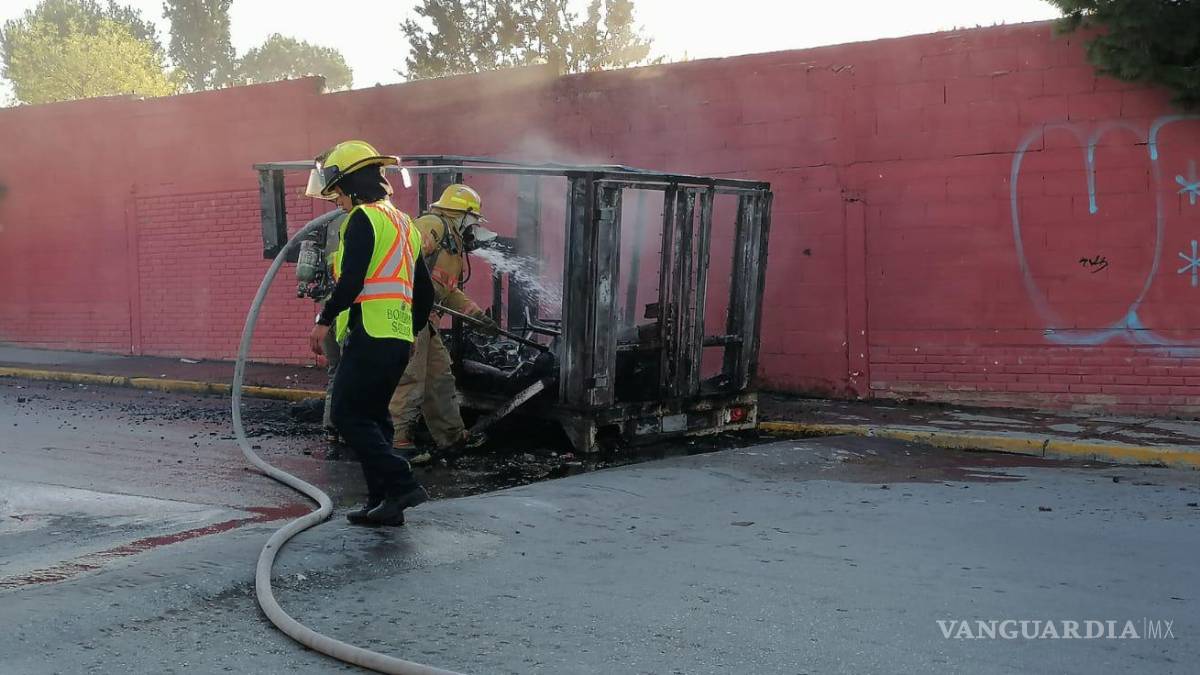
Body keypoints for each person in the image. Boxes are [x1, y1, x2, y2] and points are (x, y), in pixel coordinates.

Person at [306, 140, 434, 526]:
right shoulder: (404, 224)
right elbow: (424, 292)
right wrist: (410, 333)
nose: (337, 201)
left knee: (347, 415)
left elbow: (352, 281)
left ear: (351, 184)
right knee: (376, 419)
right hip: (395, 338)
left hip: (369, 332)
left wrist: (323, 320)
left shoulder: (363, 219)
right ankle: (385, 503)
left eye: (338, 192)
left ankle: (402, 483)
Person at [388, 184, 497, 455]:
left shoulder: (452, 246)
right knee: (410, 377)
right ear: (461, 216)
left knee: (440, 378)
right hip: (408, 314)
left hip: (426, 318)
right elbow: (403, 255)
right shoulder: (432, 225)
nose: (474, 230)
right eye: (473, 222)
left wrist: (476, 315)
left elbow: (447, 290)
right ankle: (398, 442)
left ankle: (452, 437)